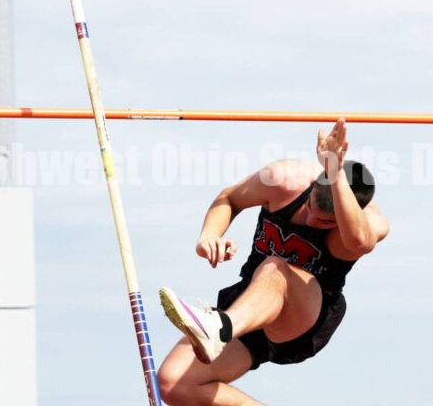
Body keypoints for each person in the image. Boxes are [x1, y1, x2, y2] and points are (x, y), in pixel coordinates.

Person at [157, 118, 390, 405]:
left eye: (323, 221)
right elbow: (230, 198)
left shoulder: (370, 221)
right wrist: (209, 236)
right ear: (314, 185)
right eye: (311, 207)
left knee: (274, 267)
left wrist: (337, 173)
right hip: (252, 308)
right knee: (173, 383)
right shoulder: (285, 180)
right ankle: (221, 328)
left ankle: (220, 327)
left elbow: (359, 241)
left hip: (304, 316)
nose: (310, 219)